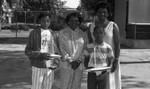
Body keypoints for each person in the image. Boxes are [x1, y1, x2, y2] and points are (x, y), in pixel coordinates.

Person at [87, 1, 121, 89]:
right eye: (99, 11)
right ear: (96, 12)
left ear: (108, 13)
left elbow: (117, 45)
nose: (102, 14)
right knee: (94, 84)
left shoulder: (113, 26)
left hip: (110, 61)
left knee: (110, 84)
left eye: (104, 12)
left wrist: (116, 60)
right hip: (96, 62)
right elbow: (89, 44)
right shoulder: (91, 26)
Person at [25, 13, 59, 89]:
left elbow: (56, 50)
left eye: (48, 21)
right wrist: (40, 55)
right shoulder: (34, 33)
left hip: (50, 66)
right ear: (39, 21)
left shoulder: (52, 33)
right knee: (36, 86)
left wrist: (55, 62)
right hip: (38, 66)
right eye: (43, 21)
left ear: (50, 22)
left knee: (48, 86)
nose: (46, 23)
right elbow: (27, 51)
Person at [58, 12, 88, 89]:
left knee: (76, 86)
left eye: (76, 20)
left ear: (79, 22)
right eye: (71, 20)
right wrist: (70, 61)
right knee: (64, 86)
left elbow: (85, 49)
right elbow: (61, 48)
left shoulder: (83, 34)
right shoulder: (62, 33)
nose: (74, 22)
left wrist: (79, 61)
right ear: (68, 21)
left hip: (79, 65)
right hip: (66, 64)